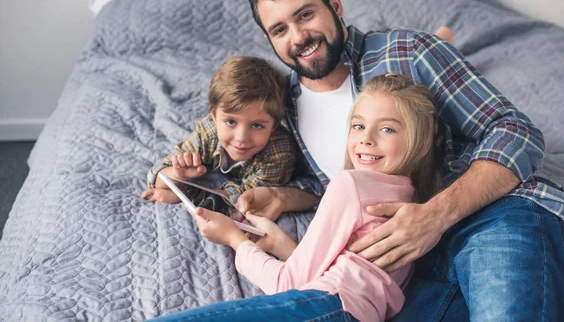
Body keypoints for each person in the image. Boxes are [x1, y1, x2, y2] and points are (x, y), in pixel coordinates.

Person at [232, 0, 564, 320]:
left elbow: (515, 130)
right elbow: (343, 191)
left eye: (305, 15)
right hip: (403, 274)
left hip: (490, 218)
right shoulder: (284, 103)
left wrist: (435, 216)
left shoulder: (410, 51)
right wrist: (281, 196)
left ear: (335, 4)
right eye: (280, 29)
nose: (298, 36)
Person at [150, 73, 446, 322]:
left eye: (387, 128)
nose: (366, 138)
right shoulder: (414, 200)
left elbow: (289, 285)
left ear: (419, 145)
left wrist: (234, 240)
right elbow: (343, 270)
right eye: (358, 125)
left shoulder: (351, 185)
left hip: (329, 305)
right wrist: (279, 242)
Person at [142, 55, 297, 214]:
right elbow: (158, 175)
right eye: (231, 122)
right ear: (214, 116)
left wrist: (182, 195)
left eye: (257, 125)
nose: (241, 138)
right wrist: (178, 174)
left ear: (274, 125)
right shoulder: (208, 132)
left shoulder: (279, 155)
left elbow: (241, 200)